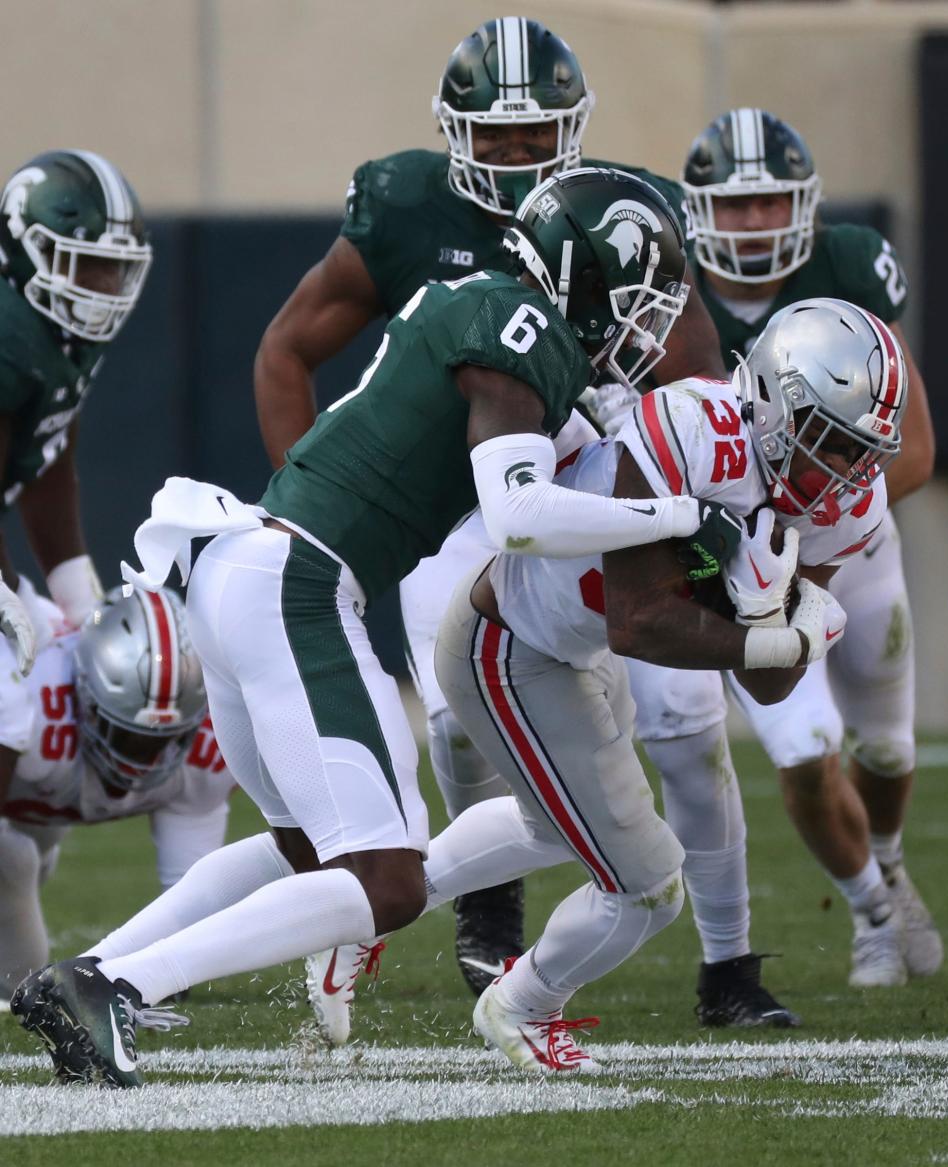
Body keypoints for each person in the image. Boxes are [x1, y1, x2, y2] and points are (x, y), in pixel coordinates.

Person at [12, 168, 733, 1087]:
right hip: (299, 584)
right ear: (588, 276)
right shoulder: (528, 331)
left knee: (307, 853)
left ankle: (84, 971)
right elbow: (515, 511)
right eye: (640, 297)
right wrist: (675, 517)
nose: (647, 324)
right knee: (387, 881)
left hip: (243, 569)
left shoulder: (487, 303)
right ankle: (120, 982)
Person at [253, 16, 728, 999]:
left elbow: (696, 384)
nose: (516, 156)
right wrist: (310, 495)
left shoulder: (621, 210)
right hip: (461, 499)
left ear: (577, 126)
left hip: (587, 480)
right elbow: (286, 351)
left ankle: (732, 961)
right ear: (453, 132)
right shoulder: (408, 205)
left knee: (685, 714)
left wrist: (688, 501)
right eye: (497, 136)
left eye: (536, 133)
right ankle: (487, 909)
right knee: (460, 720)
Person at [419, 295, 901, 1072]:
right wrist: (773, 632)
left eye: (862, 451)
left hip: (569, 656)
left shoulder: (844, 501)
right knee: (646, 884)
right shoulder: (692, 431)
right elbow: (637, 621)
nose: (847, 473)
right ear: (775, 408)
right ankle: (515, 1001)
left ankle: (376, 899)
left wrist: (787, 622)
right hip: (514, 637)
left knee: (554, 831)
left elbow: (771, 687)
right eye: (830, 443)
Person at [679, 108, 938, 987]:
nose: (754, 222)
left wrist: (814, 518)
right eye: (736, 204)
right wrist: (742, 550)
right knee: (801, 749)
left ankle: (892, 863)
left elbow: (917, 450)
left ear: (806, 204)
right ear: (699, 210)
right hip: (742, 560)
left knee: (889, 750)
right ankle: (871, 911)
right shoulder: (670, 292)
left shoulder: (849, 265)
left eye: (770, 202)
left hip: (853, 544)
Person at [0, 587, 231, 1007]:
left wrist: (163, 970)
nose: (142, 760)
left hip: (47, 793)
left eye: (164, 739)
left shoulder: (208, 751)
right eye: (125, 734)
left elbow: (189, 908)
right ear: (83, 695)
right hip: (26, 784)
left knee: (36, 836)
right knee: (11, 857)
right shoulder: (32, 711)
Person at [0, 150, 153, 678]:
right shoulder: (8, 331)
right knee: (13, 700)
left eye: (114, 270)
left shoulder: (55, 332)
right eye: (87, 265)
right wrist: (8, 588)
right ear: (27, 247)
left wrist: (78, 603)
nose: (104, 288)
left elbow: (48, 462)